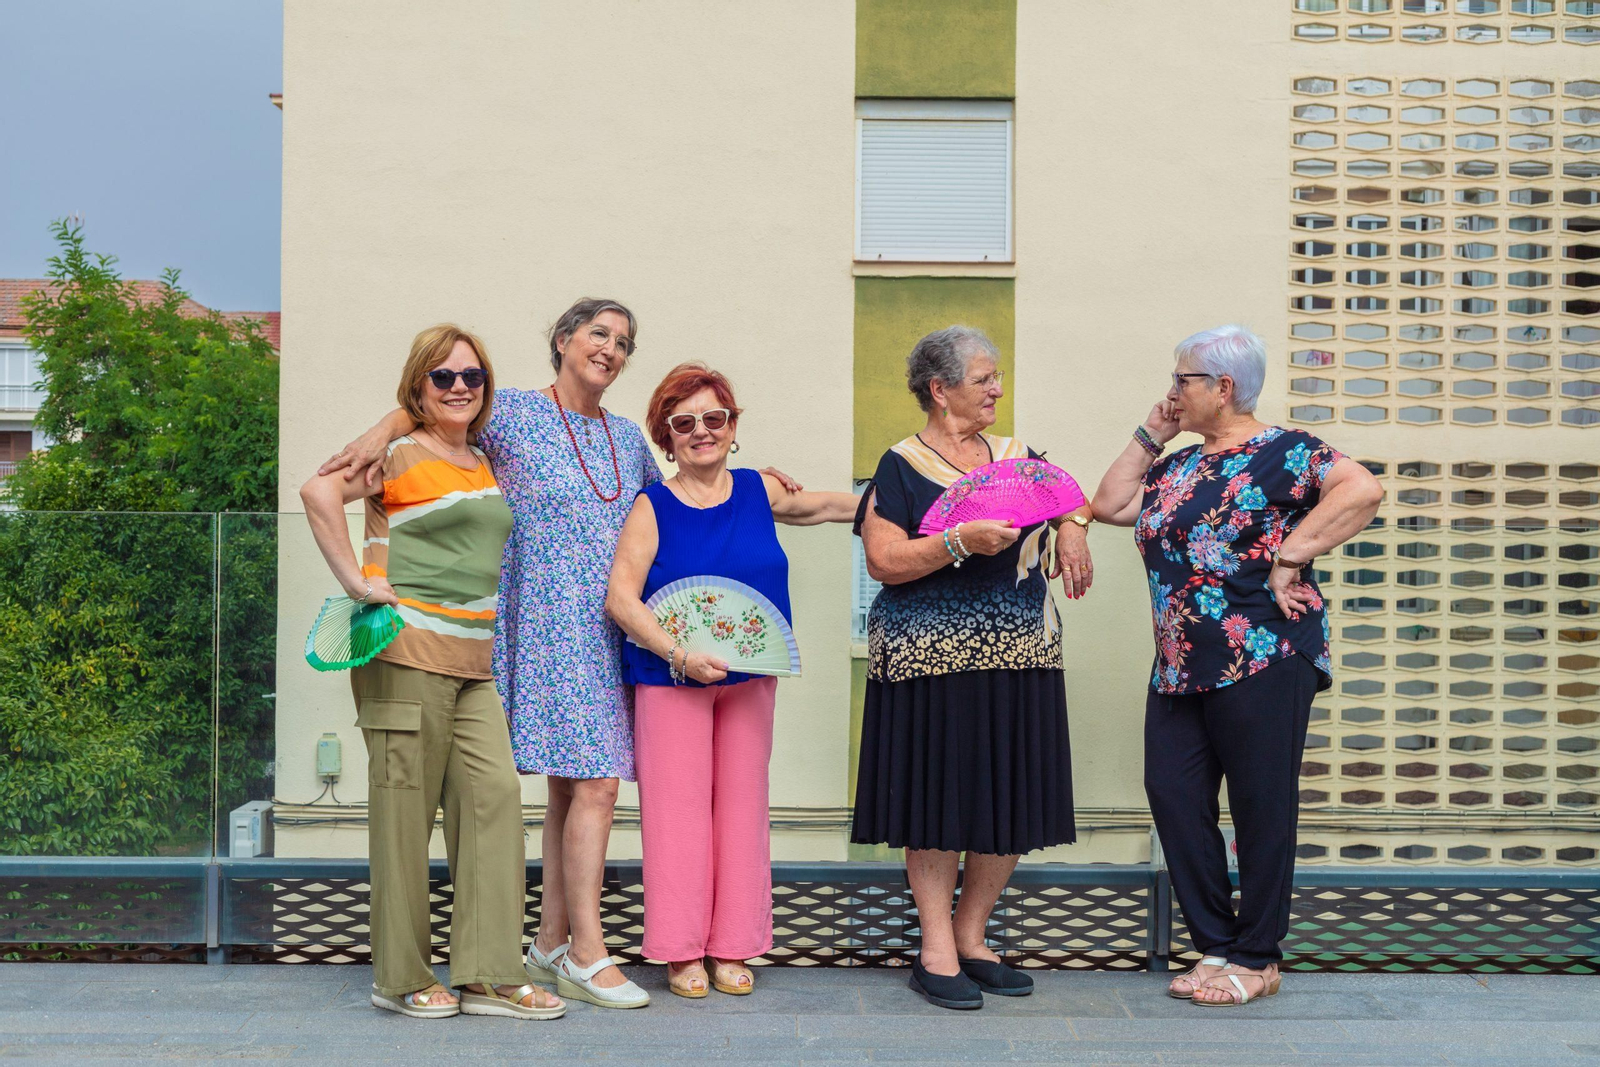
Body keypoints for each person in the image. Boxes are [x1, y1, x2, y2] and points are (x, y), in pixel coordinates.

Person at [319, 299, 799, 1009]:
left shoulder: (630, 438)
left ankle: (545, 941)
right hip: (542, 623)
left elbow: (680, 498)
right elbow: (432, 410)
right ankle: (586, 950)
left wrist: (757, 483)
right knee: (598, 783)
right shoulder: (509, 410)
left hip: (616, 625)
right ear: (564, 340)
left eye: (623, 341)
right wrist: (378, 429)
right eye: (598, 333)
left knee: (572, 786)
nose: (610, 347)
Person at [1091, 324, 1383, 1008]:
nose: (1171, 390)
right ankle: (1218, 942)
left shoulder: (1288, 451)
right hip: (1181, 663)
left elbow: (1362, 490)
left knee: (1260, 807)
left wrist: (1292, 554)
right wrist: (1149, 431)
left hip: (1265, 652)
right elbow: (1107, 504)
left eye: (1181, 380)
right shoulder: (1176, 466)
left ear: (1222, 388)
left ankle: (1258, 956)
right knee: (1174, 794)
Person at [300, 324, 564, 1021]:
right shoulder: (396, 451)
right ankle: (402, 975)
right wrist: (357, 582)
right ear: (418, 385)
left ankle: (486, 972)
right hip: (402, 656)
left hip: (473, 667)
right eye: (442, 376)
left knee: (495, 803)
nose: (458, 387)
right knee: (403, 819)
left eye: (471, 376)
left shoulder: (480, 460)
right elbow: (316, 492)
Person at [853, 326, 1093, 1010]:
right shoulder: (899, 465)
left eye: (996, 376)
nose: (997, 388)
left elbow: (1068, 494)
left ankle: (971, 934)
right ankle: (934, 947)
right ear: (940, 388)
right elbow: (883, 560)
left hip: (1019, 648)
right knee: (937, 794)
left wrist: (1073, 524)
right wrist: (956, 539)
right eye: (983, 377)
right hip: (929, 654)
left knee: (1009, 789)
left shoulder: (1017, 455)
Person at [605, 363, 857, 1000]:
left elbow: (832, 505)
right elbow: (621, 600)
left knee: (743, 810)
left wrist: (926, 506)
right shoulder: (651, 504)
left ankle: (733, 944)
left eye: (713, 419)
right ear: (667, 436)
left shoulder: (757, 490)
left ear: (733, 425)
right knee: (678, 815)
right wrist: (678, 654)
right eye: (683, 423)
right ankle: (680, 948)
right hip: (670, 679)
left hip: (750, 676)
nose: (700, 432)